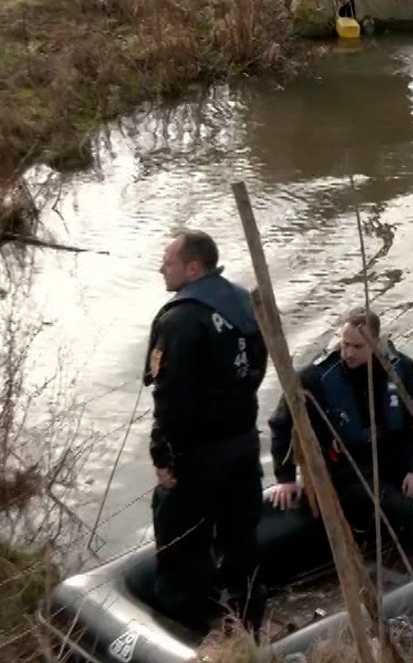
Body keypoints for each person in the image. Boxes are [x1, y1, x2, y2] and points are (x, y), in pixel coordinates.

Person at [265, 309, 413, 566]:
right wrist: (284, 477)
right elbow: (282, 425)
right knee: (397, 506)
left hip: (390, 451)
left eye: (357, 347)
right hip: (347, 466)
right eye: (345, 344)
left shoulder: (400, 369)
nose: (348, 353)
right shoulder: (315, 378)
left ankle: (404, 528)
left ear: (376, 342)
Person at [144, 230, 269, 636]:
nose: (161, 266)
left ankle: (185, 631)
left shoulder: (181, 319)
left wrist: (163, 455)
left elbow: (171, 396)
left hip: (198, 453)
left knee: (181, 542)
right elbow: (257, 368)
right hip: (242, 441)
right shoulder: (243, 302)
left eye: (168, 260)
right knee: (241, 538)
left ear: (193, 267)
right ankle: (249, 622)